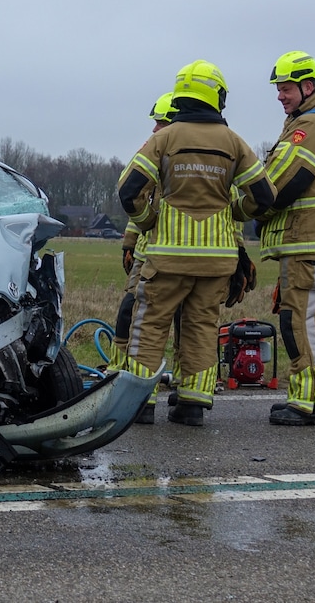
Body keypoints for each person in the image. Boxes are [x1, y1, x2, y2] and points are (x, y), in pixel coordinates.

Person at [116, 60, 275, 427]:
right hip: (216, 263)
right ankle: (193, 404)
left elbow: (129, 190)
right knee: (202, 327)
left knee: (150, 324)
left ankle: (141, 404)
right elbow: (264, 195)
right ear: (216, 97)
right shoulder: (234, 142)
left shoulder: (165, 138)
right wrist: (236, 210)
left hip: (167, 259)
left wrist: (147, 221)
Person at [258, 51, 315, 426]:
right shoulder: (307, 121)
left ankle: (310, 402)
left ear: (308, 86)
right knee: (301, 321)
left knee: (302, 323)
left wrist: (245, 204)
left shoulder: (312, 125)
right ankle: (306, 396)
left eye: (286, 89)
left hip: (309, 242)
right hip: (307, 242)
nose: (280, 95)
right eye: (278, 89)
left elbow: (281, 181)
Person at [110, 92, 176, 424]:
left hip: (165, 254)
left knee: (150, 323)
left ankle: (142, 392)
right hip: (147, 251)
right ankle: (116, 373)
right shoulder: (155, 150)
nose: (154, 129)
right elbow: (136, 196)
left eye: (160, 122)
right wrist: (130, 239)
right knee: (128, 312)